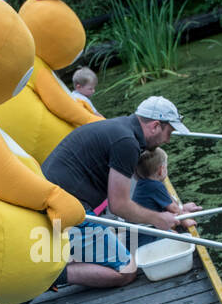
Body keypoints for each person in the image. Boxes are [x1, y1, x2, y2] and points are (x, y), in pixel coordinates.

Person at [41, 95, 194, 288]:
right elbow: (119, 205)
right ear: (155, 126)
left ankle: (68, 257)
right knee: (126, 270)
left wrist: (177, 209)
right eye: (169, 132)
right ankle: (52, 275)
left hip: (60, 201)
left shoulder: (122, 130)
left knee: (117, 246)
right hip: (65, 208)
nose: (169, 140)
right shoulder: (126, 142)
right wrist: (158, 218)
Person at [130, 147, 201, 246]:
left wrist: (182, 208)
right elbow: (173, 208)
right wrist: (185, 220)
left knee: (173, 233)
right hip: (146, 235)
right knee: (180, 239)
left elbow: (168, 204)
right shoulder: (155, 186)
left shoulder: (143, 183)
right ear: (161, 170)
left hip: (137, 233)